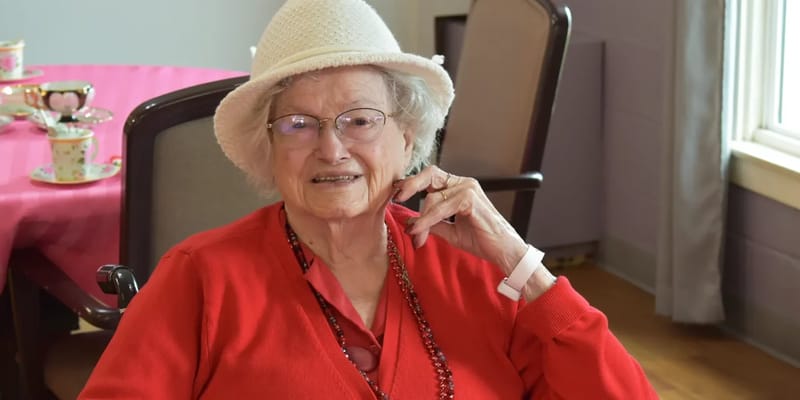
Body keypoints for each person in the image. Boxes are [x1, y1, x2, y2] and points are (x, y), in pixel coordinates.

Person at [80, 0, 657, 398]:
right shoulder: (199, 280)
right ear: (269, 146)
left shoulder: (480, 271)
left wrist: (523, 266)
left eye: (360, 119)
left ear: (407, 137)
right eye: (300, 124)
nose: (332, 149)